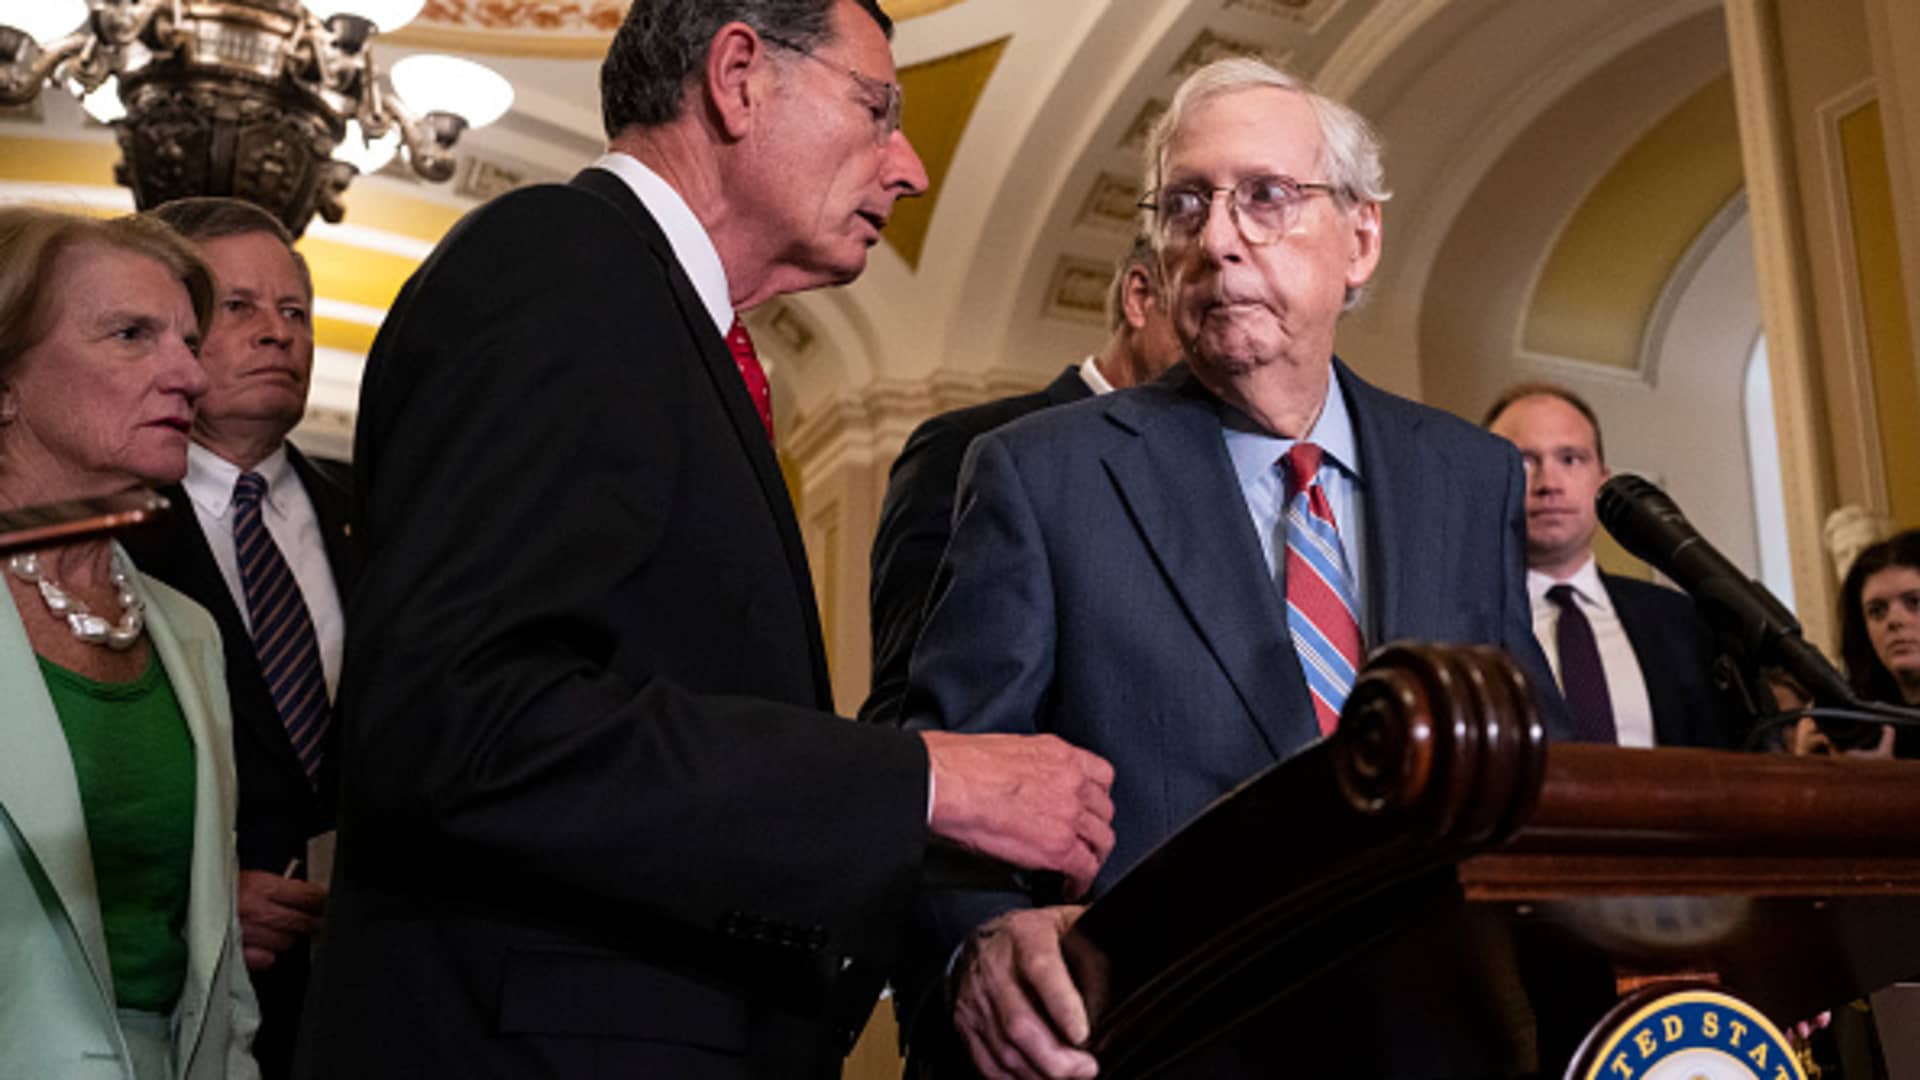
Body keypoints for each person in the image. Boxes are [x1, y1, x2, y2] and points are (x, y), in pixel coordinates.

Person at [300, 2, 1115, 1077]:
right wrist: (923, 782)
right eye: (877, 109)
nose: (910, 168)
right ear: (738, 77)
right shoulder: (560, 262)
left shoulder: (667, 321)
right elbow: (460, 722)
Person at [895, 57, 1570, 1078]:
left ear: (1360, 238)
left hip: (1446, 1042)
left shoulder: (1468, 475)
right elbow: (955, 786)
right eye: (1185, 205)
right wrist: (979, 944)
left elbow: (1538, 769)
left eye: (1264, 196)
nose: (1216, 238)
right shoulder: (1042, 475)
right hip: (1170, 1044)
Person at [0, 206, 259, 1077]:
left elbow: (219, 977)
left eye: (187, 343)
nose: (190, 375)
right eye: (131, 335)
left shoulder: (189, 632)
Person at [121, 197, 347, 1080]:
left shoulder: (389, 521)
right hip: (179, 1009)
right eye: (240, 307)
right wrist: (201, 903)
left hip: (366, 998)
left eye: (295, 311)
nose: (278, 333)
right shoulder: (104, 527)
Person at [862, 232, 1184, 726]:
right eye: (1208, 307)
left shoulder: (1227, 472)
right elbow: (908, 699)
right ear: (1140, 298)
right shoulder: (964, 446)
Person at [1484, 383, 1741, 750]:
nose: (1549, 484)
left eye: (1570, 459)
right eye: (1523, 461)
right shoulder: (1454, 624)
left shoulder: (1681, 622)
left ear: (1602, 480)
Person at [1835, 528, 1920, 758]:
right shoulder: (1857, 724)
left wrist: (1883, 776)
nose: (1893, 621)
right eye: (1877, 611)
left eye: (1914, 602)